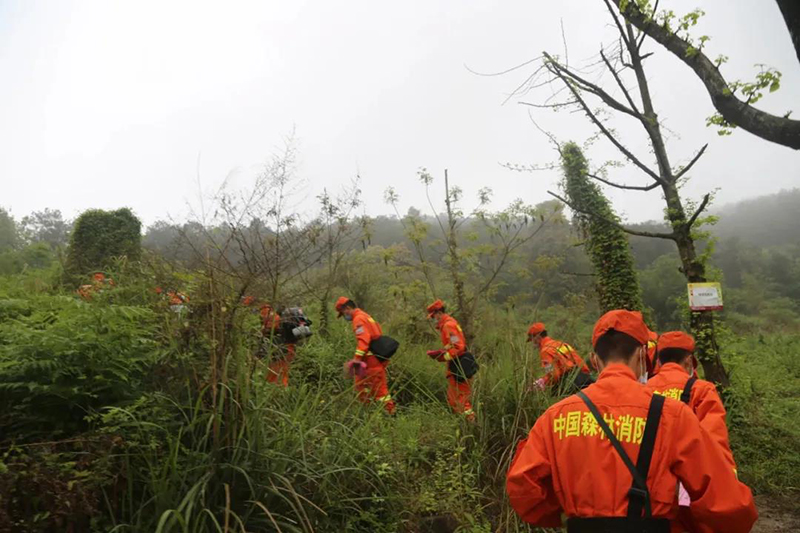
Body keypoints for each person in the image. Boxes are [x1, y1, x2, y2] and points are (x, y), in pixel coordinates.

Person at [507, 310, 757, 533]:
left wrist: (568, 516)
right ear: (641, 354)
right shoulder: (673, 414)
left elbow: (523, 485)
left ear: (595, 360)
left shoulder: (555, 416)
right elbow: (727, 502)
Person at [647, 331, 736, 533]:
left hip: (648, 491)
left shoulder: (641, 389)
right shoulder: (702, 390)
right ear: (689, 361)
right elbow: (715, 445)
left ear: (659, 360)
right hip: (687, 490)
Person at [335, 296, 396, 415]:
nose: (344, 317)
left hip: (370, 361)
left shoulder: (358, 319)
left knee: (379, 391)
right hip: (373, 360)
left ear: (347, 308)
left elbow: (364, 342)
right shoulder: (366, 316)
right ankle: (366, 413)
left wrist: (356, 360)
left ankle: (390, 415)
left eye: (343, 314)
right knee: (361, 386)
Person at [425, 299, 476, 422]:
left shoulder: (448, 325)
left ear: (438, 313)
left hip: (459, 366)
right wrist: (440, 352)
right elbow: (454, 345)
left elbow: (458, 346)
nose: (434, 319)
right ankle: (464, 425)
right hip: (457, 366)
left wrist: (441, 357)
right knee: (455, 400)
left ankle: (472, 427)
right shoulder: (449, 324)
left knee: (461, 401)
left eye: (433, 316)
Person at [527, 322, 592, 391]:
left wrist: (542, 382)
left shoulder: (545, 351)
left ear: (538, 337)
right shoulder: (562, 344)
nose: (533, 343)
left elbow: (554, 376)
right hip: (585, 379)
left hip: (571, 384)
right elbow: (581, 364)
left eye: (532, 339)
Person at [260, 303, 296, 387]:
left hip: (278, 348)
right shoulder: (280, 318)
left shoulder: (270, 316)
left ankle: (276, 388)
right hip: (288, 347)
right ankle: (283, 386)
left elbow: (267, 330)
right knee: (284, 369)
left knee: (275, 369)